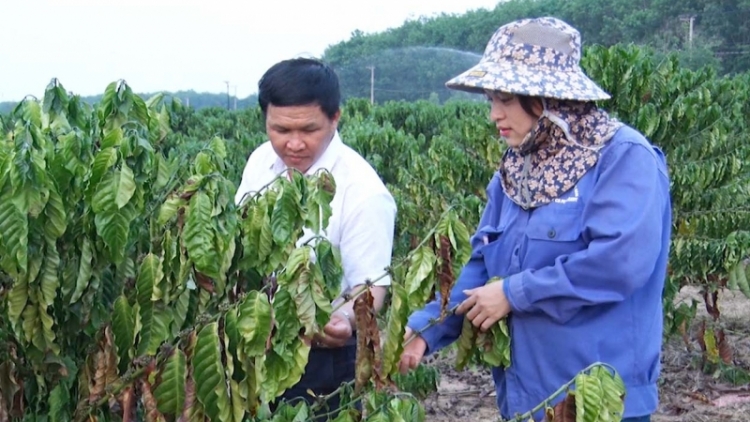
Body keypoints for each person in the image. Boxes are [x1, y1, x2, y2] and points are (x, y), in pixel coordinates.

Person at [398, 17, 671, 422]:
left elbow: (618, 264)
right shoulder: (515, 168)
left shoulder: (622, 158)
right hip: (526, 394)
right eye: (491, 100)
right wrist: (426, 329)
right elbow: (481, 263)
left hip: (598, 399)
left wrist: (516, 292)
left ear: (547, 96)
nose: (494, 114)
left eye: (505, 99)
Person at [234, 57, 397, 419]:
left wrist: (344, 321)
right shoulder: (261, 162)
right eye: (279, 130)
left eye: (308, 130)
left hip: (320, 360)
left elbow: (371, 286)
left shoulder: (362, 191)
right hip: (256, 343)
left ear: (335, 118)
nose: (293, 144)